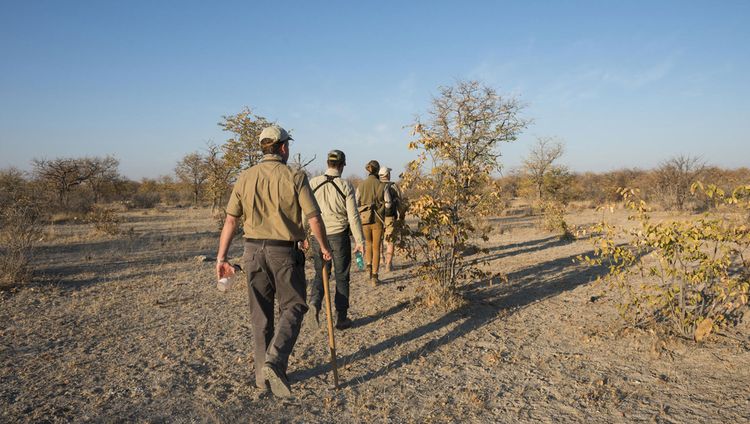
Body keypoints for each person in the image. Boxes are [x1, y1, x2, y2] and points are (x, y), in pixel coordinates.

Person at [215, 125, 332, 399]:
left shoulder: (245, 177)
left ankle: (261, 379)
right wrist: (324, 247)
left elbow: (231, 220)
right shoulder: (295, 176)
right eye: (287, 146)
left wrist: (221, 257)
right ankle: (275, 361)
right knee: (294, 305)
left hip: (252, 251)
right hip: (284, 253)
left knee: (261, 316)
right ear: (282, 147)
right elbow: (313, 217)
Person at [308, 150, 365, 330]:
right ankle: (341, 318)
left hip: (317, 236)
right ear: (341, 165)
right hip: (339, 236)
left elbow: (306, 212)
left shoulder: (313, 183)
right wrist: (359, 240)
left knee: (321, 273)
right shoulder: (345, 185)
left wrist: (304, 235)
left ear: (327, 163)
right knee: (342, 277)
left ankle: (315, 304)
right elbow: (353, 216)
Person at [356, 160, 385, 286]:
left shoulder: (361, 185)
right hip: (378, 220)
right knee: (376, 247)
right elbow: (388, 202)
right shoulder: (381, 185)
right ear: (378, 170)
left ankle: (368, 267)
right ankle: (375, 276)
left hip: (365, 220)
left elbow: (356, 201)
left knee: (368, 244)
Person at [378, 166, 403, 272]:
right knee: (390, 240)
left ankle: (381, 259)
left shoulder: (377, 185)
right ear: (388, 174)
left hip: (377, 216)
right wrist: (401, 215)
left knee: (379, 239)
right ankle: (388, 264)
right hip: (390, 216)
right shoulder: (393, 186)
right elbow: (399, 202)